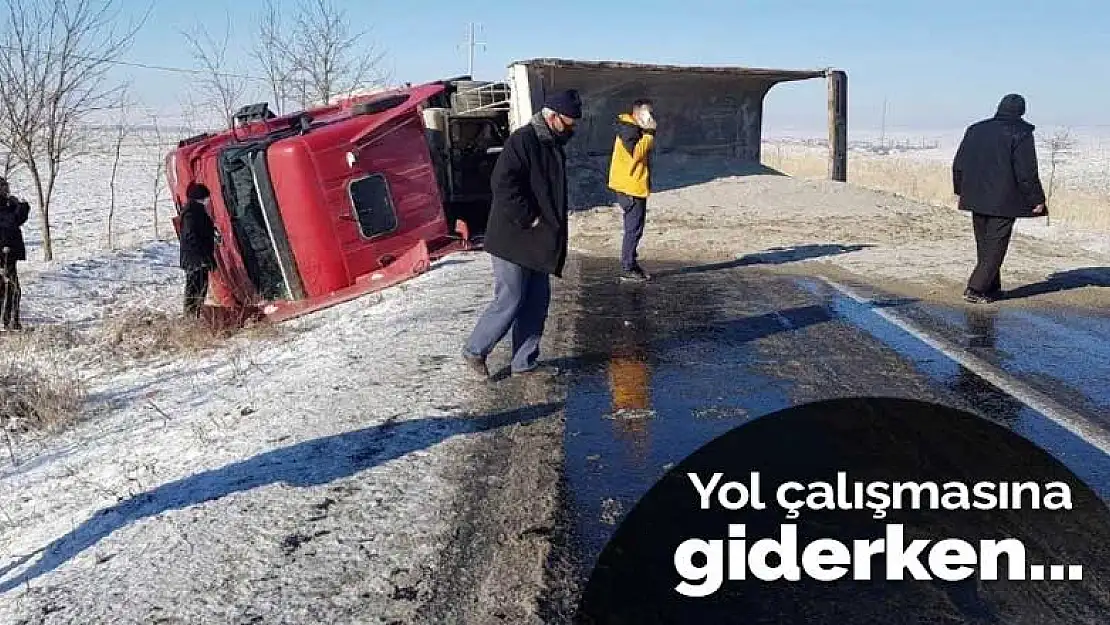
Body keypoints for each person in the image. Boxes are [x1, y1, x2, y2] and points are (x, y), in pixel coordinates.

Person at [462, 89, 582, 378]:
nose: (572, 130)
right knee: (511, 298)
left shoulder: (552, 141)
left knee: (536, 301)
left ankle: (524, 361)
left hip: (538, 239)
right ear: (552, 117)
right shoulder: (523, 141)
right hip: (512, 237)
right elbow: (503, 184)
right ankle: (475, 350)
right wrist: (528, 217)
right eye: (568, 124)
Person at [952, 93, 1047, 304]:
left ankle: (991, 289)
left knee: (985, 245)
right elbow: (1026, 171)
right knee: (995, 246)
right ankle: (976, 289)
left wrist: (960, 189)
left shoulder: (976, 129)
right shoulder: (1021, 133)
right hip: (1004, 199)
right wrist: (1036, 199)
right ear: (1022, 111)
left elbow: (959, 163)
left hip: (976, 196)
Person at [608, 98, 657, 282]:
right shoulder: (629, 130)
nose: (651, 117)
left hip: (632, 185)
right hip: (630, 187)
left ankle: (631, 263)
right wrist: (650, 133)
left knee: (635, 227)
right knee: (633, 229)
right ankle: (628, 267)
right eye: (648, 113)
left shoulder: (631, 128)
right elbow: (636, 154)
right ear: (638, 113)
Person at [179, 181, 217, 317]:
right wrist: (204, 257)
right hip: (195, 260)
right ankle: (190, 317)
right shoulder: (192, 213)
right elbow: (192, 237)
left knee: (199, 289)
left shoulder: (194, 211)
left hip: (196, 259)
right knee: (195, 290)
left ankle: (194, 315)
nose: (208, 200)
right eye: (206, 197)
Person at [0, 177, 29, 331]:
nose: (7, 190)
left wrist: (20, 206)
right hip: (4, 253)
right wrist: (21, 206)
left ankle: (10, 322)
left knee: (10, 288)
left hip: (7, 253)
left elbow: (17, 219)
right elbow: (12, 221)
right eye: (4, 187)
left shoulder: (7, 204)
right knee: (13, 288)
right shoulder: (5, 206)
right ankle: (10, 322)